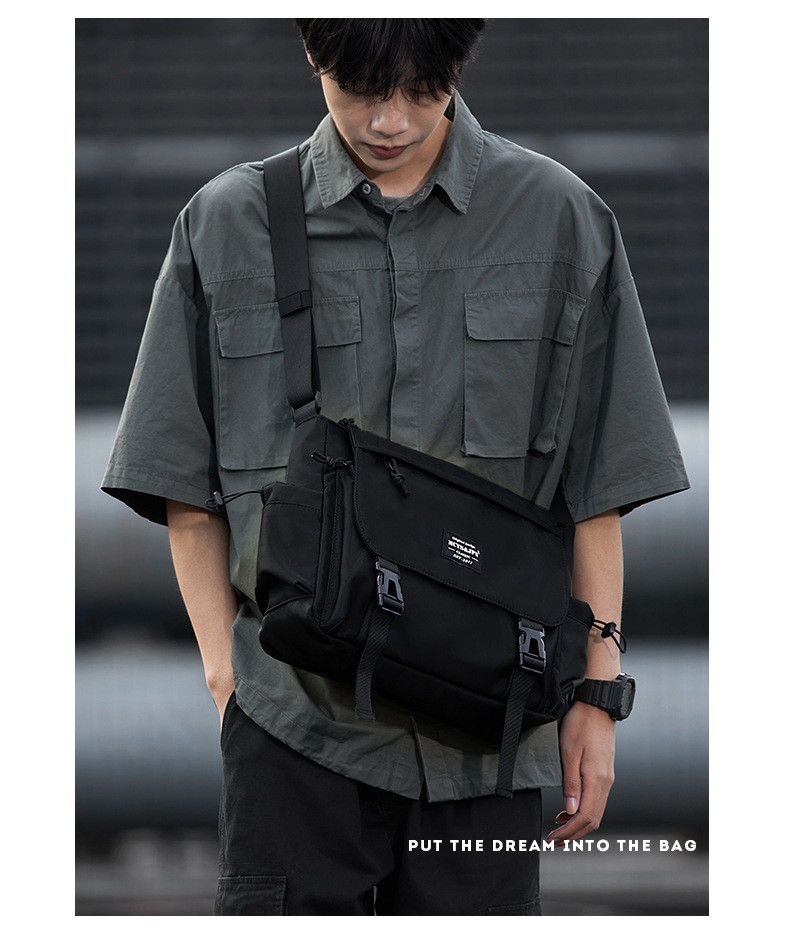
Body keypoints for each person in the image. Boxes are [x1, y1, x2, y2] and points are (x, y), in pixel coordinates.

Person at [102, 19, 689, 915]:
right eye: (362, 89)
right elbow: (183, 481)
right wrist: (229, 680)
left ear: (460, 63)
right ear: (314, 54)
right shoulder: (227, 224)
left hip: (490, 737)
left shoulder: (560, 218)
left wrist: (597, 696)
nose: (390, 121)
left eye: (421, 91)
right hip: (296, 724)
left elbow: (596, 483)